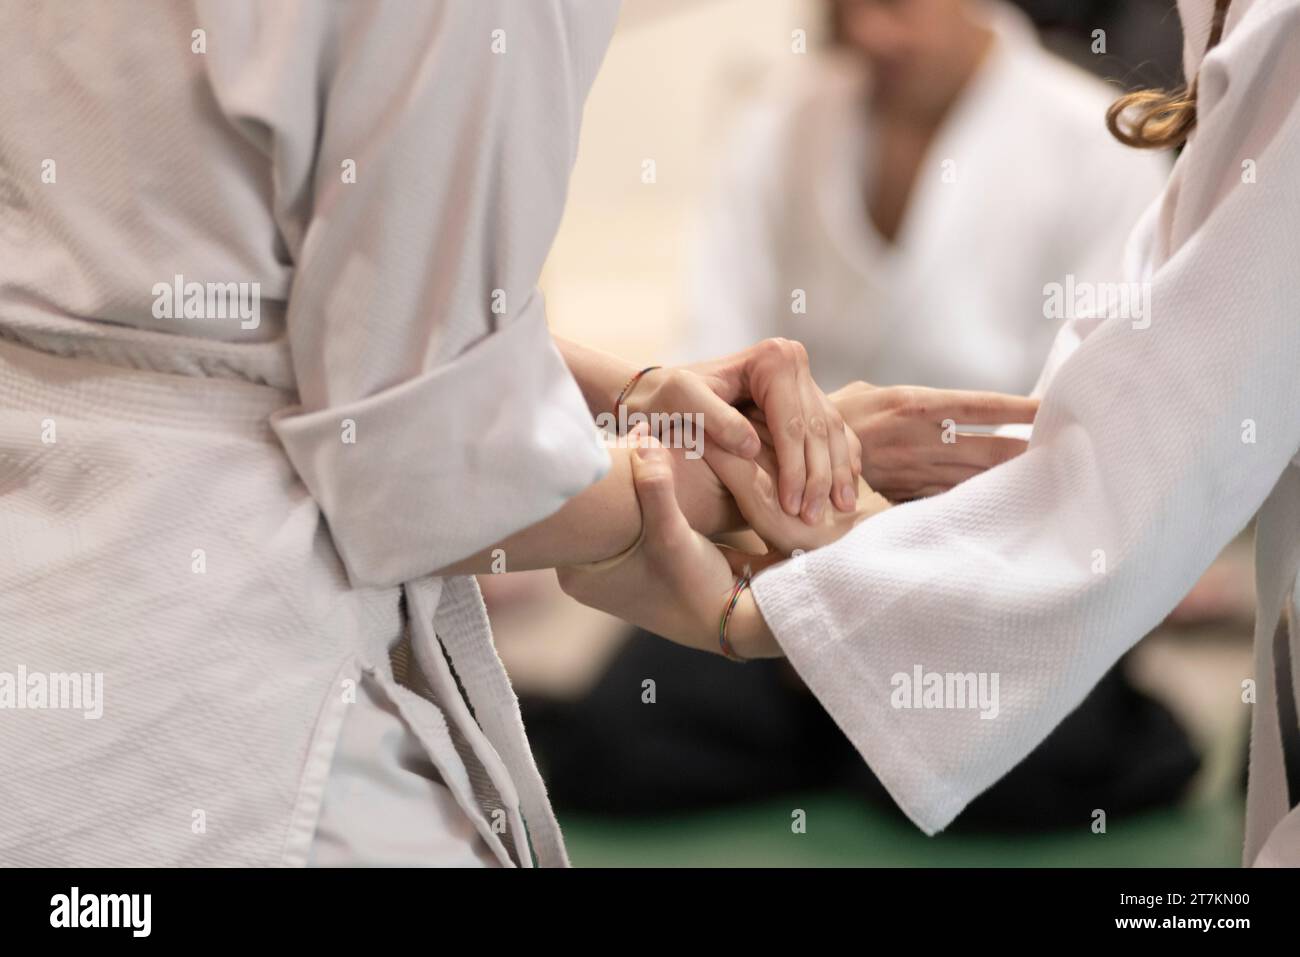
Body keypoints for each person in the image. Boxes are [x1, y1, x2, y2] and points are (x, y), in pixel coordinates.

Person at [0, 0, 1036, 867]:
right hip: (230, 688)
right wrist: (771, 476)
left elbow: (239, 311)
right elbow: (416, 469)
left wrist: (637, 392)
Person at [558, 0, 1300, 866]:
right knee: (619, 739)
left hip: (958, 535)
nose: (874, 33)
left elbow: (1134, 425)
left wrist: (818, 568)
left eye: (901, 6)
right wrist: (787, 529)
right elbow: (699, 368)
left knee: (1038, 763)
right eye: (850, 8)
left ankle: (854, 701)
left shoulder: (1086, 132)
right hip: (773, 518)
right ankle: (852, 702)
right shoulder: (782, 122)